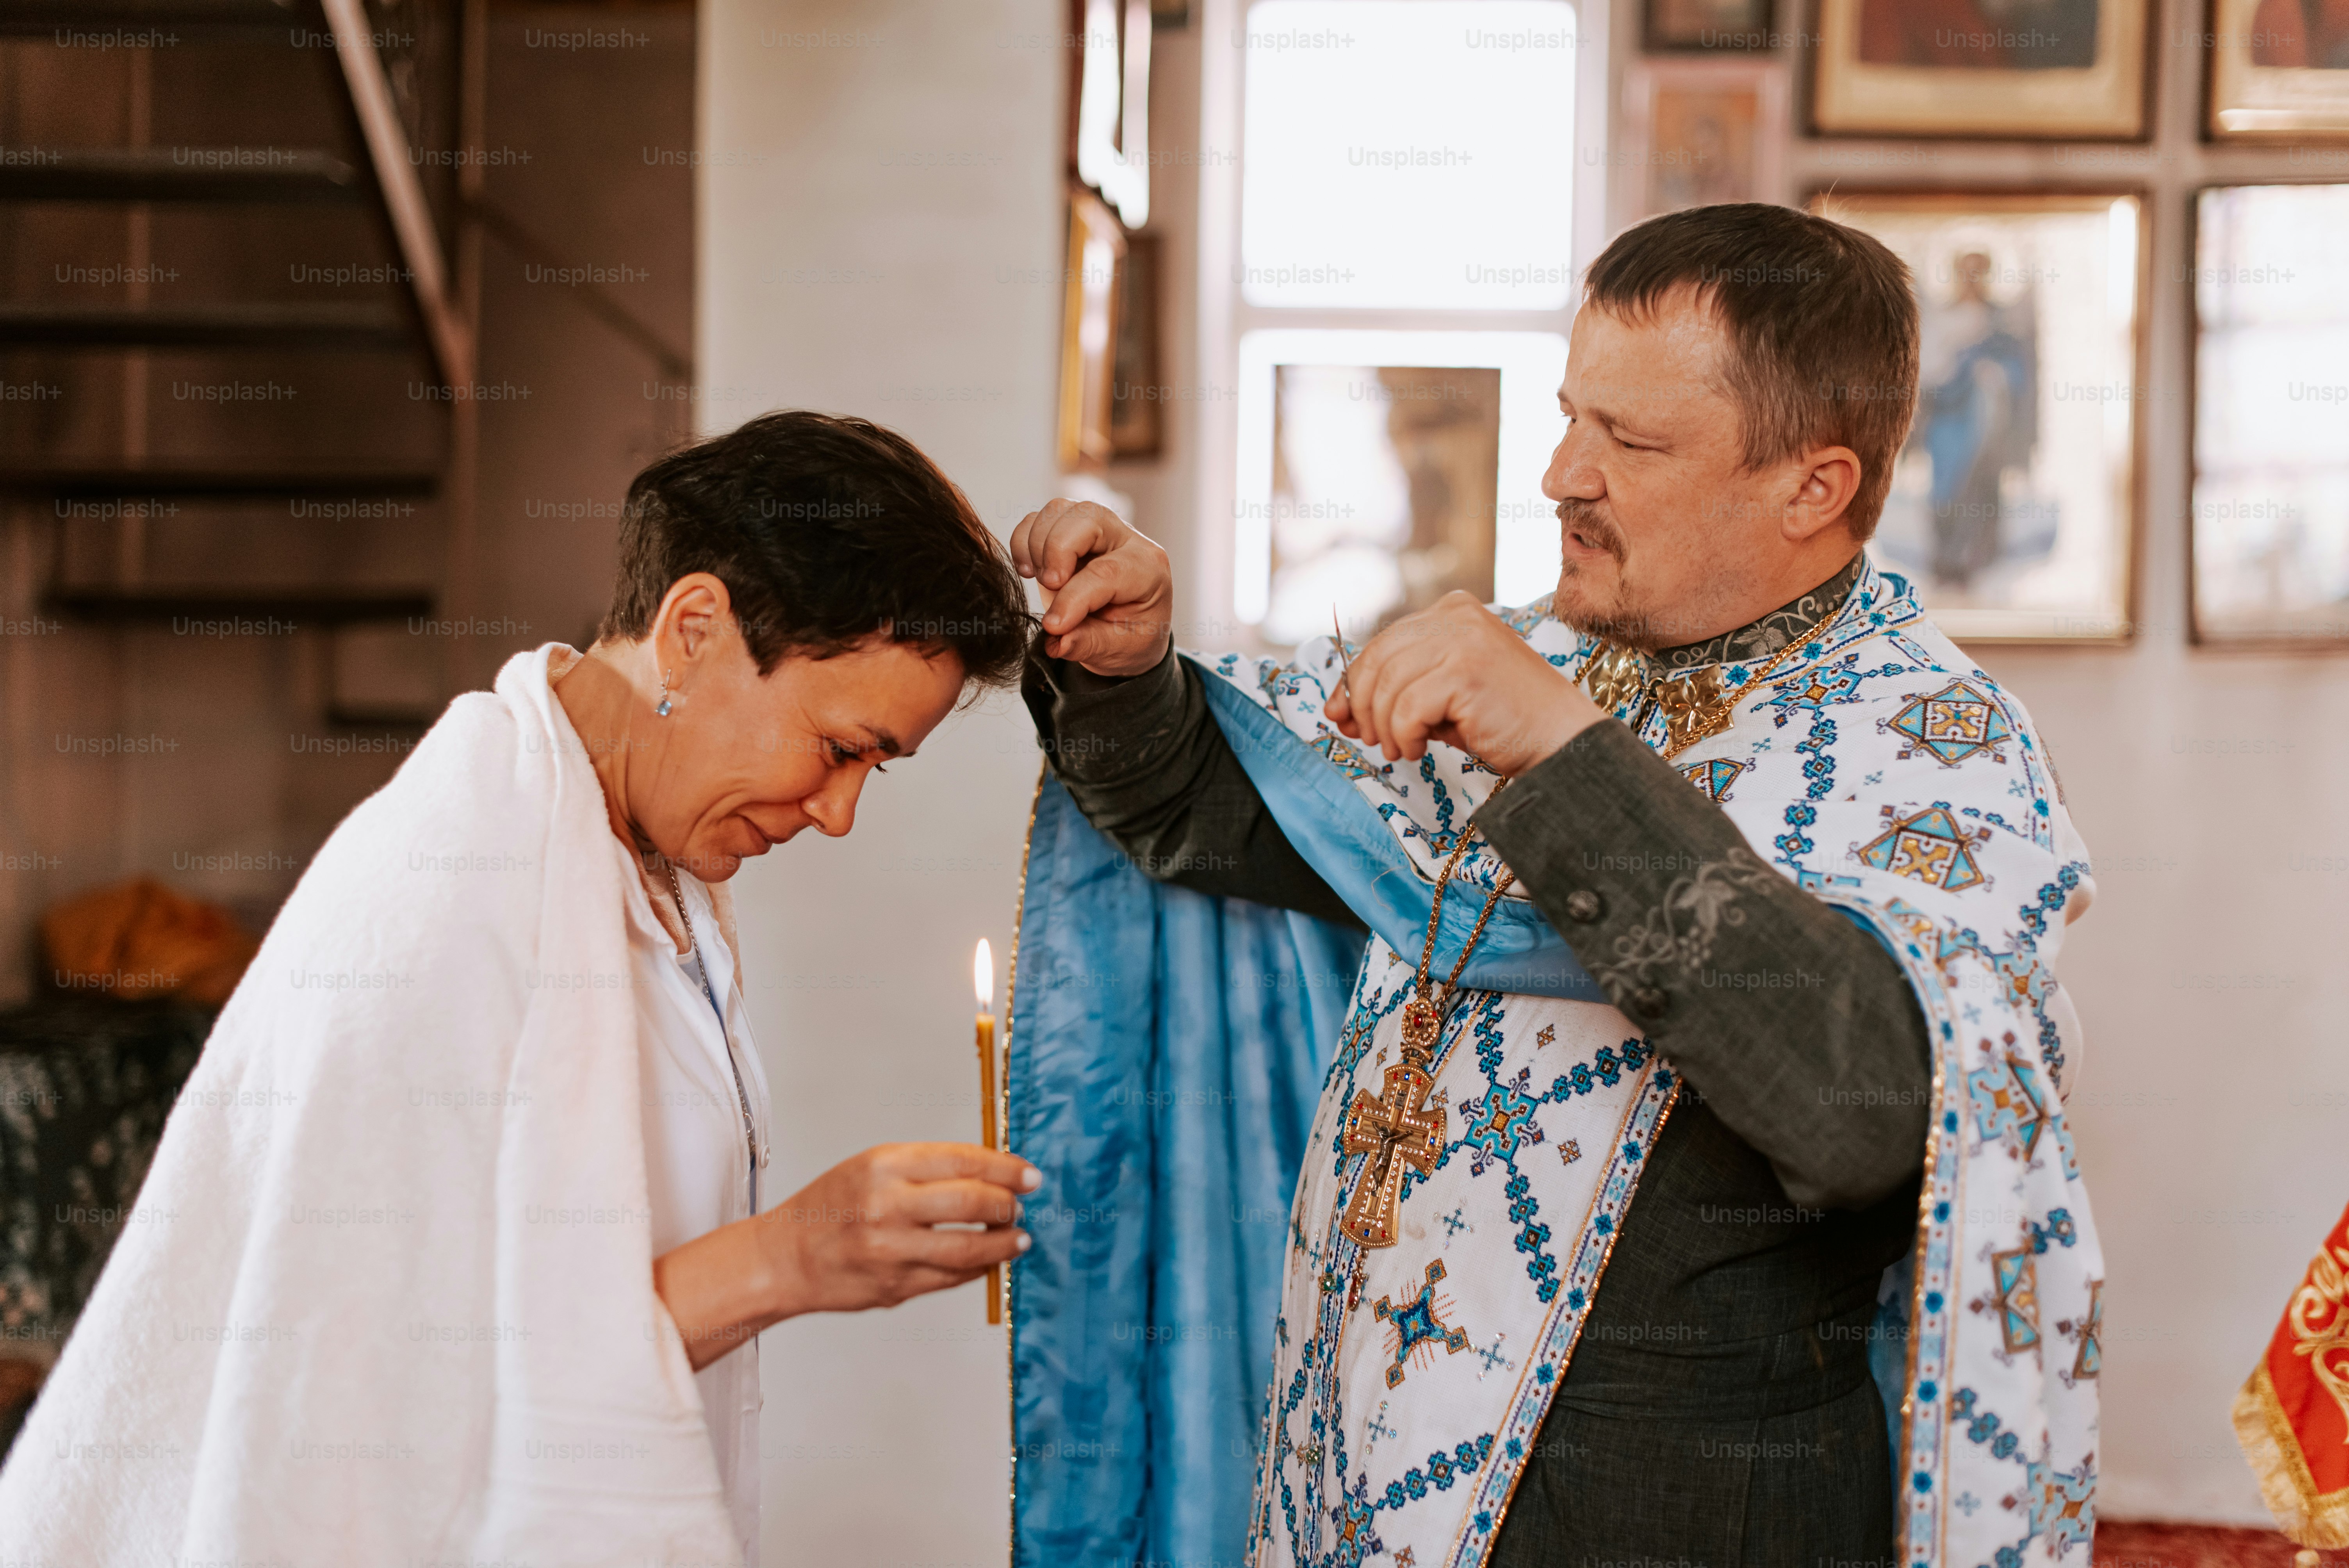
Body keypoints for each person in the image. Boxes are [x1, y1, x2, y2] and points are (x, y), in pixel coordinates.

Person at [1013, 205, 2102, 1566]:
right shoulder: (1546, 655)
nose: (1557, 475)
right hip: (1353, 1461)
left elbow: (1866, 1107)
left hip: (1674, 1516)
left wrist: (1561, 754)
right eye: (1570, 415)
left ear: (1812, 487)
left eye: (1630, 442)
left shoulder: (1939, 744)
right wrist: (1131, 672)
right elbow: (1221, 821)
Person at [0, 412, 1042, 1568]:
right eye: (843, 749)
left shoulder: (638, 865)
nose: (841, 812)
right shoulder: (452, 881)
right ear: (695, 629)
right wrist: (789, 1259)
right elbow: (373, 1395)